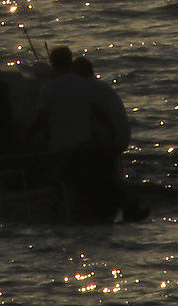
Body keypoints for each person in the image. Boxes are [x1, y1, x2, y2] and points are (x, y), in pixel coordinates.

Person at [39, 48, 145, 222]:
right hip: (97, 143)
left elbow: (42, 121)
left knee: (90, 165)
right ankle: (125, 206)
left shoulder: (51, 88)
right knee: (98, 166)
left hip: (69, 149)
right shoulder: (89, 87)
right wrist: (108, 133)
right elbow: (97, 115)